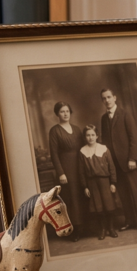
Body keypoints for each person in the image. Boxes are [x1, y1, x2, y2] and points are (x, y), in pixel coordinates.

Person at [99, 87, 137, 233]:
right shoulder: (104, 119)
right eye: (104, 98)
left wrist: (132, 158)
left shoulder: (125, 114)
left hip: (128, 162)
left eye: (108, 97)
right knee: (123, 195)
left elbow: (134, 138)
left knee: (135, 193)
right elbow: (105, 142)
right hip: (114, 164)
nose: (106, 100)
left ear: (115, 97)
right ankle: (130, 221)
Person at [47, 102, 86, 241]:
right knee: (71, 198)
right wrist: (61, 173)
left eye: (67, 111)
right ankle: (73, 230)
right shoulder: (54, 131)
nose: (65, 114)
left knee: (81, 195)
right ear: (57, 114)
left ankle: (84, 227)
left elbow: (84, 149)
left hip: (79, 167)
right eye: (62, 111)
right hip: (66, 168)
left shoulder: (76, 129)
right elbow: (54, 154)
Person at [79, 124, 120, 240]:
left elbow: (112, 167)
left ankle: (111, 228)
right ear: (84, 137)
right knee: (98, 208)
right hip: (92, 183)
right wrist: (85, 187)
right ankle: (102, 229)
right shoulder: (82, 151)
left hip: (105, 181)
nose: (90, 137)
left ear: (97, 136)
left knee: (109, 206)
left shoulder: (104, 149)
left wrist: (113, 182)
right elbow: (81, 171)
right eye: (88, 135)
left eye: (93, 135)